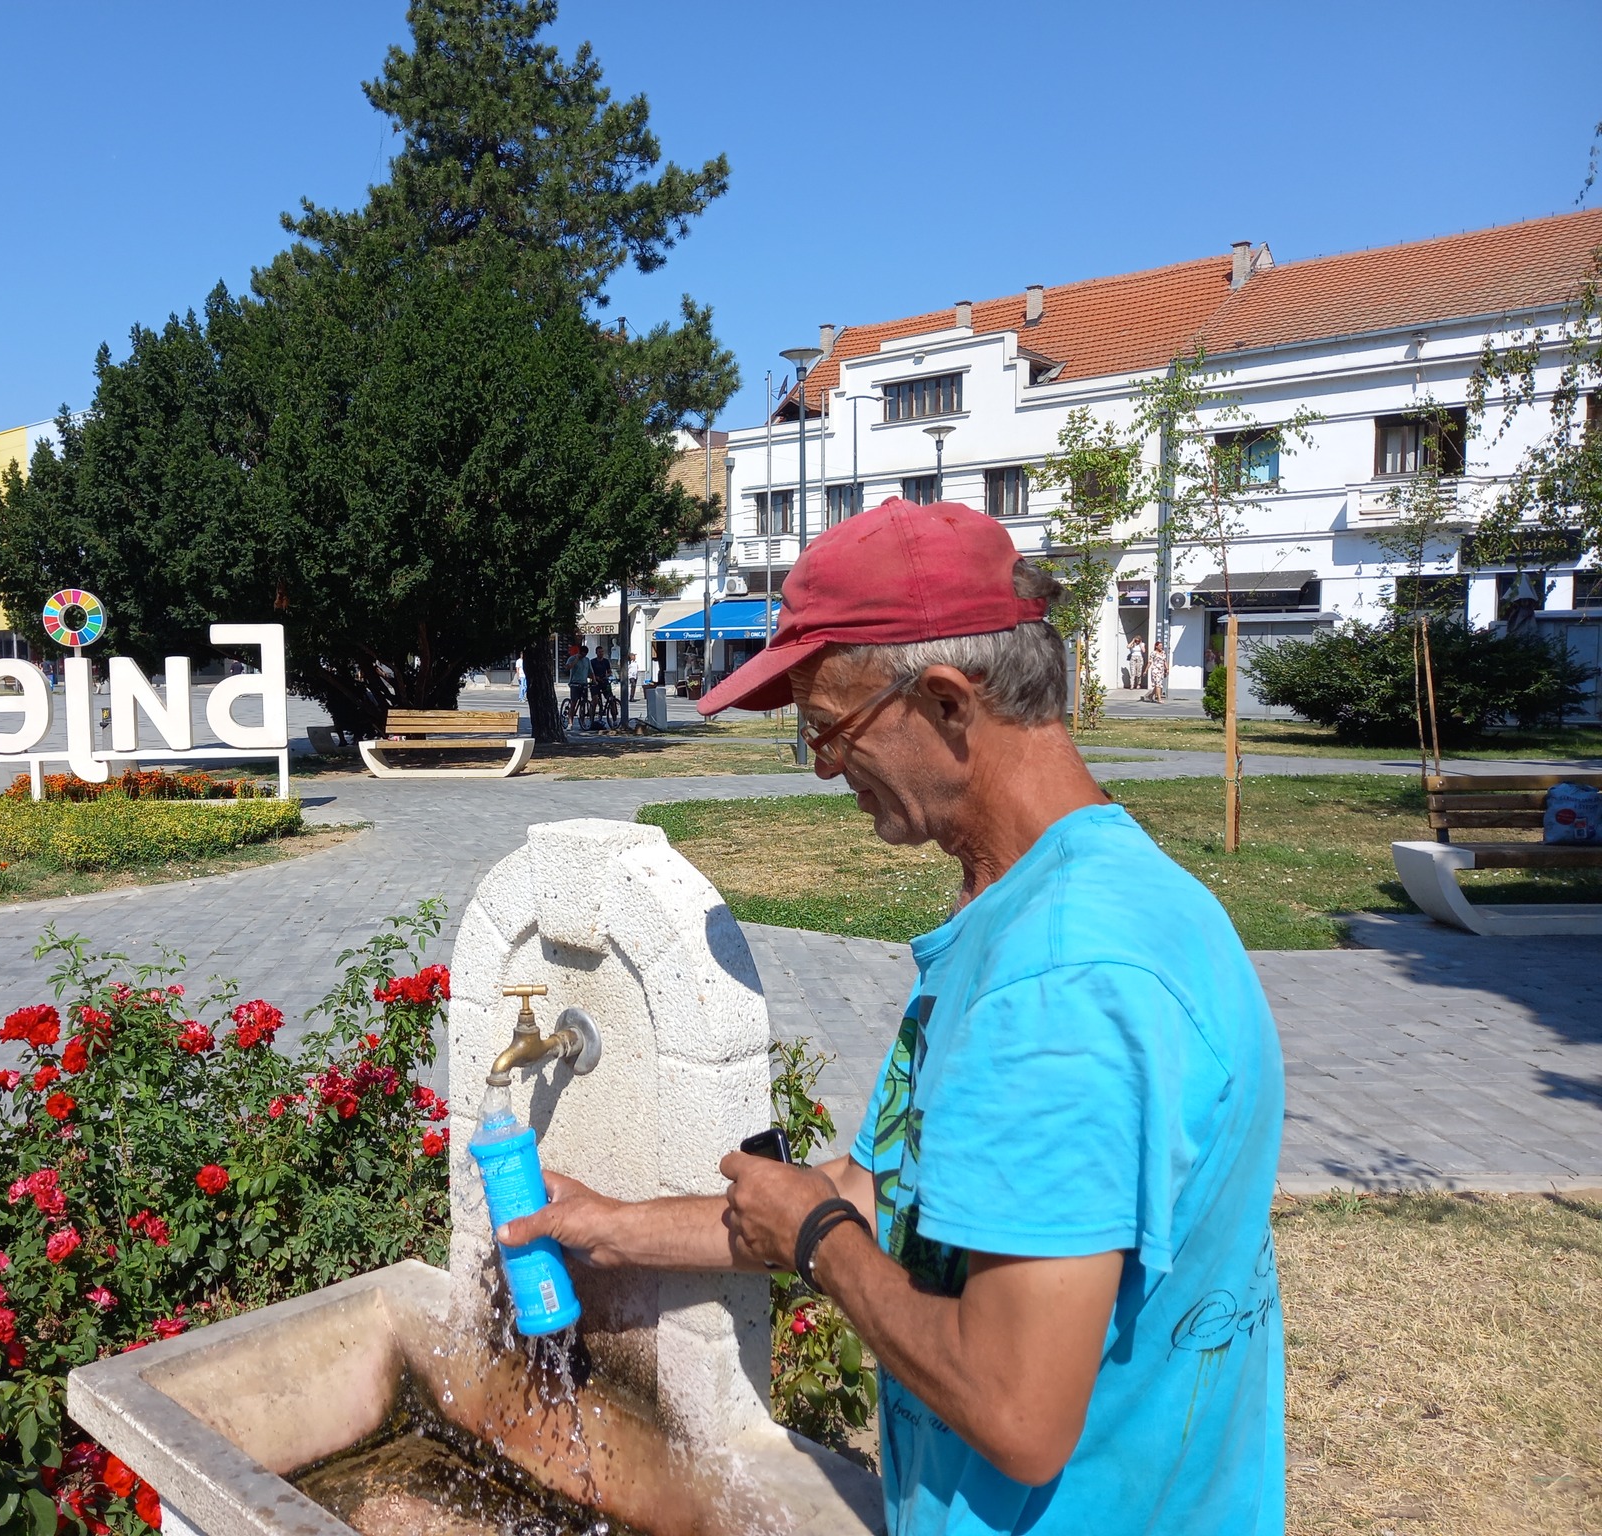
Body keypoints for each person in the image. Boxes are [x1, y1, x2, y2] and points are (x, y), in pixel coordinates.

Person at [501, 499, 1284, 1535]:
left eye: (829, 728)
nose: (824, 766)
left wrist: (816, 1242)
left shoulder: (1057, 987)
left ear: (950, 704)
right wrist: (605, 1228)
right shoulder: (1065, 901)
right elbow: (878, 1196)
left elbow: (1015, 1412)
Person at [567, 645, 591, 726]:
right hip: (574, 683)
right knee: (573, 703)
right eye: (582, 654)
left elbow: (590, 672)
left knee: (583, 704)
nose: (583, 656)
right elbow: (568, 667)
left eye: (585, 654)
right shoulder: (572, 658)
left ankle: (582, 721)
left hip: (584, 683)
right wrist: (576, 659)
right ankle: (570, 722)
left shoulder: (587, 660)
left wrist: (594, 681)